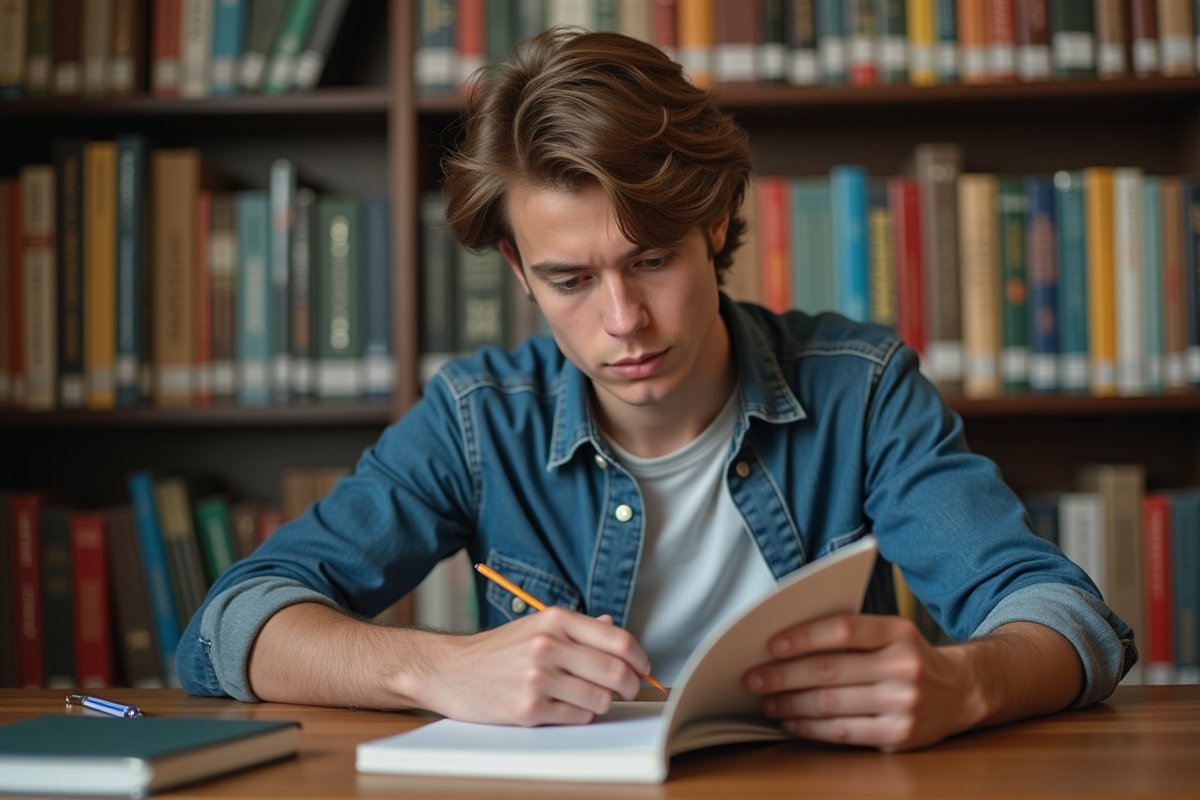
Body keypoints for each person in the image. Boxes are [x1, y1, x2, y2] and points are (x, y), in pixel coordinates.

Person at [177, 28, 1135, 752]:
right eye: (570, 280)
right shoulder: (478, 418)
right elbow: (234, 623)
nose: (623, 319)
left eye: (651, 260)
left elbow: (1061, 615)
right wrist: (438, 665)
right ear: (516, 268)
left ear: (715, 227)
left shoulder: (861, 389)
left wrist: (964, 684)